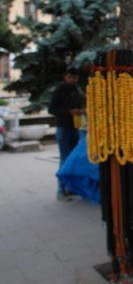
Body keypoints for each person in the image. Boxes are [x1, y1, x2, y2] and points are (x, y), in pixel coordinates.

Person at [48, 67, 83, 201]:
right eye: (70, 77)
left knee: (72, 159)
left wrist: (81, 110)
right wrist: (69, 111)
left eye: (74, 77)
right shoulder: (60, 90)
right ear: (65, 77)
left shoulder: (75, 89)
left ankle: (70, 188)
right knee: (64, 159)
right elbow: (51, 109)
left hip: (75, 127)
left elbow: (77, 107)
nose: (72, 79)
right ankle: (60, 191)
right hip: (63, 128)